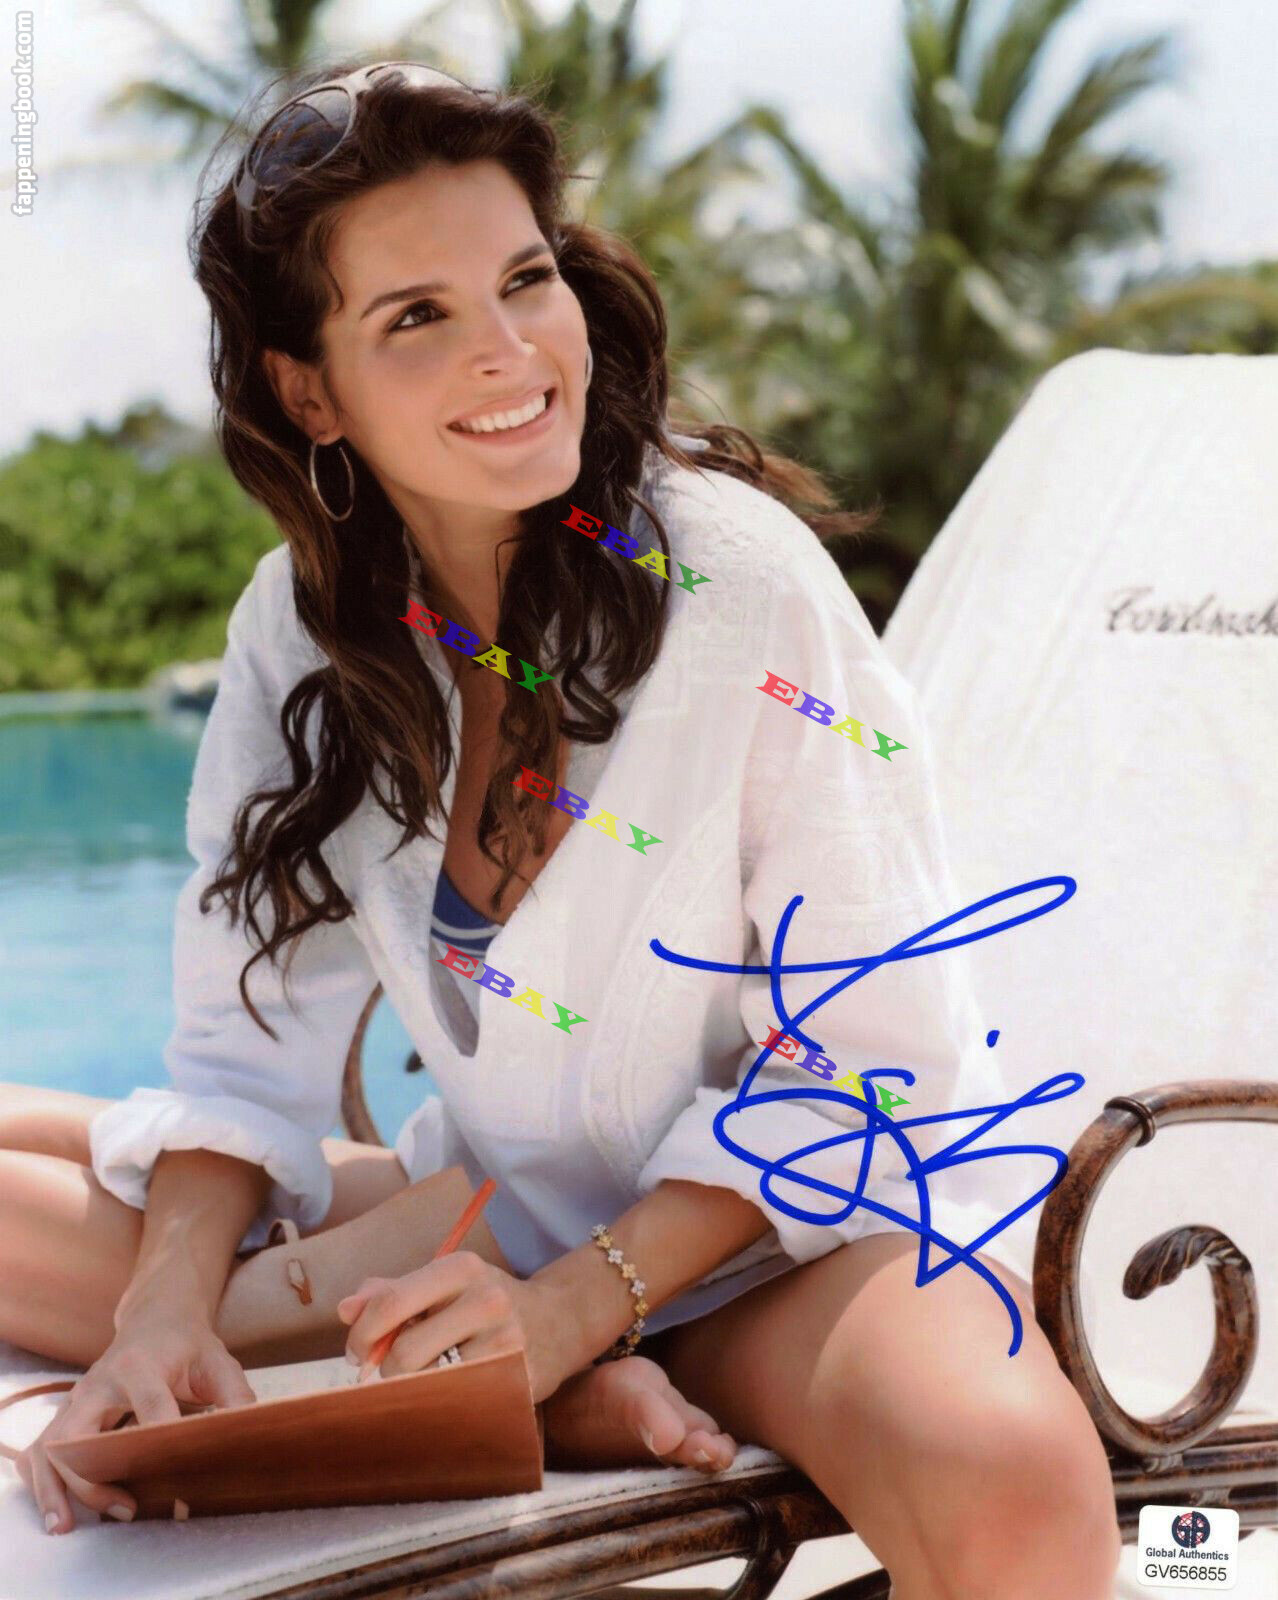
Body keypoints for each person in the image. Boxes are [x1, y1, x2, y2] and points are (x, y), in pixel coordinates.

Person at [0, 60, 1119, 1598]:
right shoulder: (306, 630)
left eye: (526, 279)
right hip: (491, 1222)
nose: (509, 349)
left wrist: (576, 1309)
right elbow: (244, 1051)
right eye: (417, 315)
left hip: (782, 1241)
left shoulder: (739, 589)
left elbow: (874, 1059)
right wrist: (160, 1322)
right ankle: (552, 1399)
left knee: (1010, 1481)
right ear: (306, 390)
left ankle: (560, 1384)